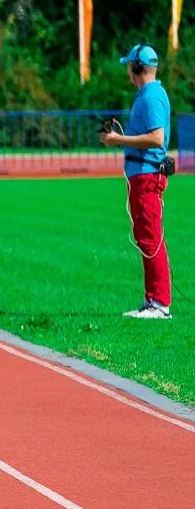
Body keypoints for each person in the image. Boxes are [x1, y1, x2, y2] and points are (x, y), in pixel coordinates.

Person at [99, 43, 174, 319]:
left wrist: (119, 140)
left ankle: (159, 304)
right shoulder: (149, 95)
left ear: (137, 68)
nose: (128, 72)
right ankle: (153, 300)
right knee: (147, 236)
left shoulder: (151, 96)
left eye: (130, 66)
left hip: (146, 175)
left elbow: (156, 137)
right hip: (141, 174)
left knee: (151, 236)